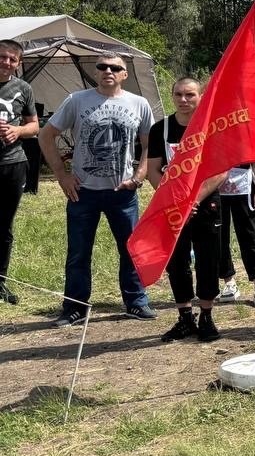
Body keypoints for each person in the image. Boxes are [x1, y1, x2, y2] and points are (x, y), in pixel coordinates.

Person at [38, 52, 156, 326]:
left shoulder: (139, 104)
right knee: (79, 252)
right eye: (102, 66)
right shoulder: (77, 100)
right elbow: (46, 135)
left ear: (124, 74)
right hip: (83, 192)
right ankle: (75, 307)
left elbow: (151, 143)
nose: (108, 71)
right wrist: (62, 175)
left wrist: (139, 175)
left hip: (123, 192)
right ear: (96, 71)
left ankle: (136, 302)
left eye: (115, 68)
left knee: (130, 249)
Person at [147, 78, 228, 343]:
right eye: (179, 94)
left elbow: (220, 170)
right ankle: (184, 317)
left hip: (205, 205)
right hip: (172, 207)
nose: (184, 100)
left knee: (208, 260)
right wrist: (174, 201)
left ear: (200, 97)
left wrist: (194, 200)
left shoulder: (211, 127)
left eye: (190, 95)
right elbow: (152, 170)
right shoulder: (161, 128)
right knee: (177, 262)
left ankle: (206, 315)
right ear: (172, 96)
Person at [0, 39, 37, 305]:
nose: (7, 63)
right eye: (2, 57)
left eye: (12, 59)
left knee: (4, 226)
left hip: (12, 163)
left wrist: (17, 131)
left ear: (19, 63)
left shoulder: (23, 88)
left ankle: (0, 282)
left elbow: (34, 126)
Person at [217, 161, 255, 307]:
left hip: (244, 184)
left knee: (250, 236)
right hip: (218, 184)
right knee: (220, 236)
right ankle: (229, 281)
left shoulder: (246, 137)